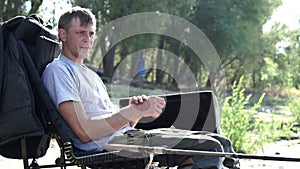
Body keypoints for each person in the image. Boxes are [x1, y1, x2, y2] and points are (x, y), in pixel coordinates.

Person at [42, 6, 235, 169]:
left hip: (129, 137)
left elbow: (116, 123)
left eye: (91, 33)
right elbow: (84, 133)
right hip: (110, 148)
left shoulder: (91, 75)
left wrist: (137, 113)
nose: (88, 39)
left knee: (222, 143)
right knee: (209, 147)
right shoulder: (59, 71)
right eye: (80, 33)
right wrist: (129, 111)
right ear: (63, 35)